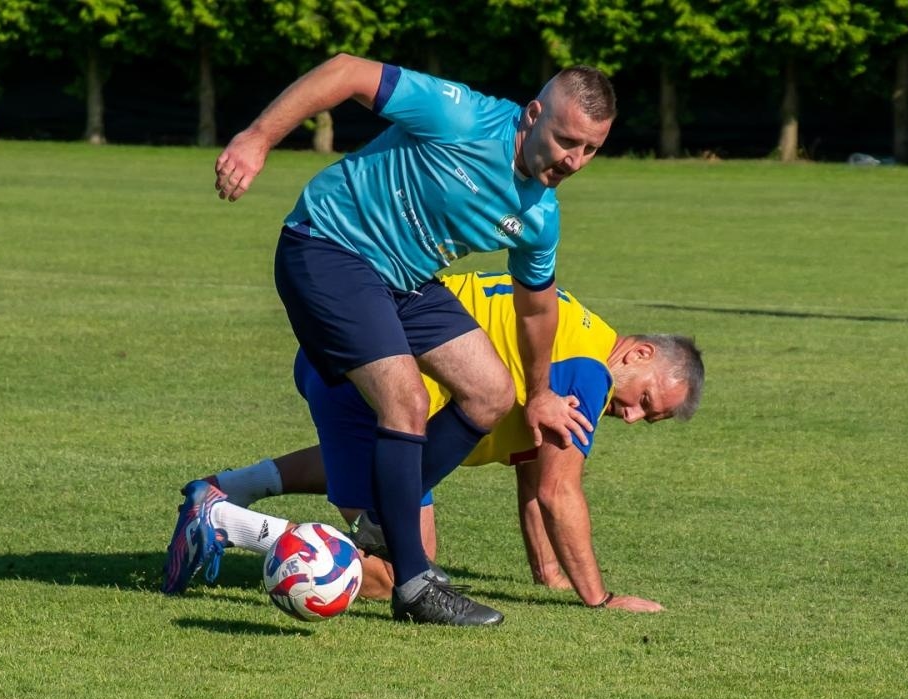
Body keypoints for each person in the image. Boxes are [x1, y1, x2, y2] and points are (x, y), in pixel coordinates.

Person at [190, 54, 616, 626]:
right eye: (567, 140)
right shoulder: (462, 116)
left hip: (405, 280)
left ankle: (378, 523)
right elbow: (345, 71)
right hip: (329, 246)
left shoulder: (540, 215)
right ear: (533, 114)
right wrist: (256, 139)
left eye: (591, 149)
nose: (574, 159)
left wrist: (538, 393)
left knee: (491, 393)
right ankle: (414, 588)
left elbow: (537, 308)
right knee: (407, 400)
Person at [163, 271, 704, 613]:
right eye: (645, 401)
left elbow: (534, 476)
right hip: (379, 389)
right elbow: (558, 494)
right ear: (638, 356)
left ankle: (223, 489)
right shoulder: (589, 371)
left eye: (646, 419)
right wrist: (599, 598)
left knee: (373, 476)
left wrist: (550, 575)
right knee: (405, 576)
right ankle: (227, 523)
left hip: (342, 358)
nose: (630, 416)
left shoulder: (572, 334)